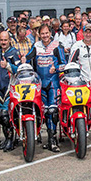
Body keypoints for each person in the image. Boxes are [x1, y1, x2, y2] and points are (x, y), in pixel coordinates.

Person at [25, 24, 66, 152]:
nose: (45, 36)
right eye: (42, 34)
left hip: (53, 83)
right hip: (40, 84)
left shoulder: (56, 45)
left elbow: (64, 64)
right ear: (39, 34)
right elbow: (27, 59)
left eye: (47, 33)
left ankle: (53, 141)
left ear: (50, 33)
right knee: (42, 112)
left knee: (53, 111)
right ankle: (42, 138)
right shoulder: (36, 46)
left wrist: (57, 68)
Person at [0, 31, 20, 151]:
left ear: (9, 40)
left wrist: (8, 65)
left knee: (6, 116)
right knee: (0, 117)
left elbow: (18, 70)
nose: (3, 42)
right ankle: (7, 138)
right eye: (1, 40)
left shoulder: (14, 52)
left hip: (10, 87)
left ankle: (12, 139)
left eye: (5, 40)